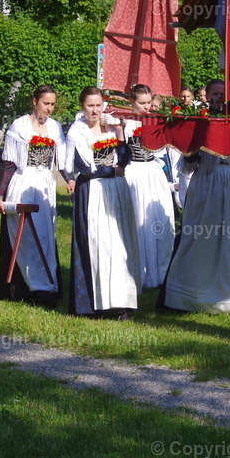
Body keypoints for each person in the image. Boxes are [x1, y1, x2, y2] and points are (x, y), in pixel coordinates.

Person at [159, 109, 230, 314]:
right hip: (205, 181)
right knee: (200, 233)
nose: (217, 98)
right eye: (214, 94)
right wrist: (194, 147)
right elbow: (188, 164)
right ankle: (193, 289)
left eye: (220, 95)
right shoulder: (198, 123)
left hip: (228, 179)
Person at [65, 86, 143, 318]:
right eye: (90, 105)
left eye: (98, 105)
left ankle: (120, 302)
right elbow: (85, 168)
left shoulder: (110, 126)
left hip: (116, 191)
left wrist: (119, 132)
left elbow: (125, 159)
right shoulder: (77, 131)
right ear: (82, 106)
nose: (95, 110)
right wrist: (112, 171)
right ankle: (95, 303)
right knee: (100, 245)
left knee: (119, 244)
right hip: (93, 192)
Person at [0, 84, 66, 305]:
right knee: (24, 234)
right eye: (46, 103)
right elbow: (9, 164)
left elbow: (62, 162)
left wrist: (71, 179)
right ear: (35, 101)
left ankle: (45, 284)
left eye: (52, 104)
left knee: (44, 234)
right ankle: (24, 286)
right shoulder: (20, 126)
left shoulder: (55, 127)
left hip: (44, 186)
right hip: (23, 182)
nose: (49, 108)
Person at [122, 84, 175, 288]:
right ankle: (140, 270)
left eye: (148, 102)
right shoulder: (125, 122)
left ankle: (161, 270)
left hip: (152, 171)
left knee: (158, 218)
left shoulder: (154, 119)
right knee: (138, 217)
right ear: (132, 101)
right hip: (134, 171)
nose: (146, 107)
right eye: (141, 103)